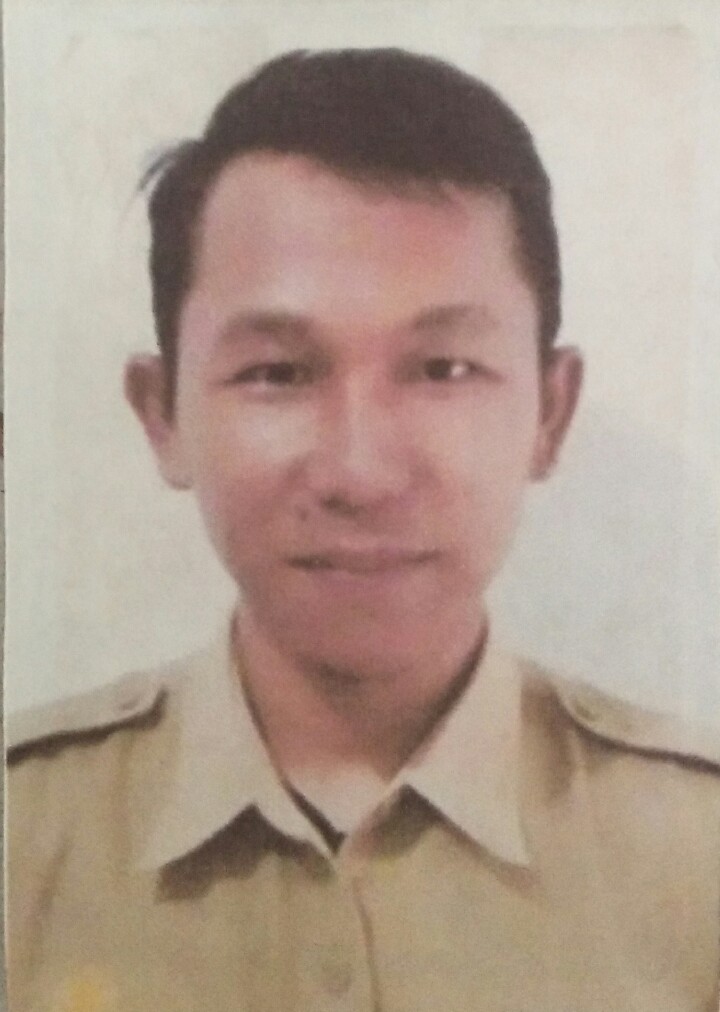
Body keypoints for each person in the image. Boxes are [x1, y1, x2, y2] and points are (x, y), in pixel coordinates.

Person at [7, 48, 720, 1012]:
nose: (362, 472)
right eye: (278, 373)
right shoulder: (22, 834)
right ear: (162, 413)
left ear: (550, 413)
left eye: (443, 370)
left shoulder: (698, 855)